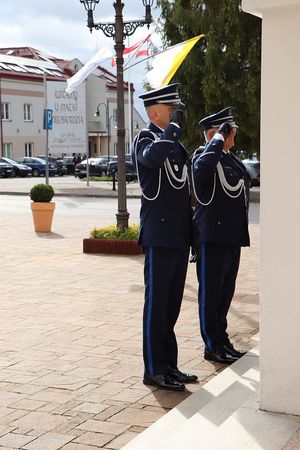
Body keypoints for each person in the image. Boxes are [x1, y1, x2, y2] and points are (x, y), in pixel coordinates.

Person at [132, 83, 198, 391]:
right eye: (172, 112)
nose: (177, 118)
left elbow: (185, 193)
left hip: (177, 235)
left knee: (171, 305)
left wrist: (193, 235)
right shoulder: (146, 138)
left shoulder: (174, 144)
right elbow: (151, 160)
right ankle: (153, 369)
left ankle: (169, 365)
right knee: (156, 304)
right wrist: (171, 130)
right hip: (158, 234)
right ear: (155, 112)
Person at [191, 107, 250, 364]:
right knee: (211, 293)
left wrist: (221, 144)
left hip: (230, 235)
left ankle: (222, 338)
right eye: (229, 130)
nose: (234, 133)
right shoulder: (202, 156)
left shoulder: (229, 158)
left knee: (226, 291)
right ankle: (212, 344)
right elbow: (202, 170)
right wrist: (215, 141)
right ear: (214, 133)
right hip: (211, 236)